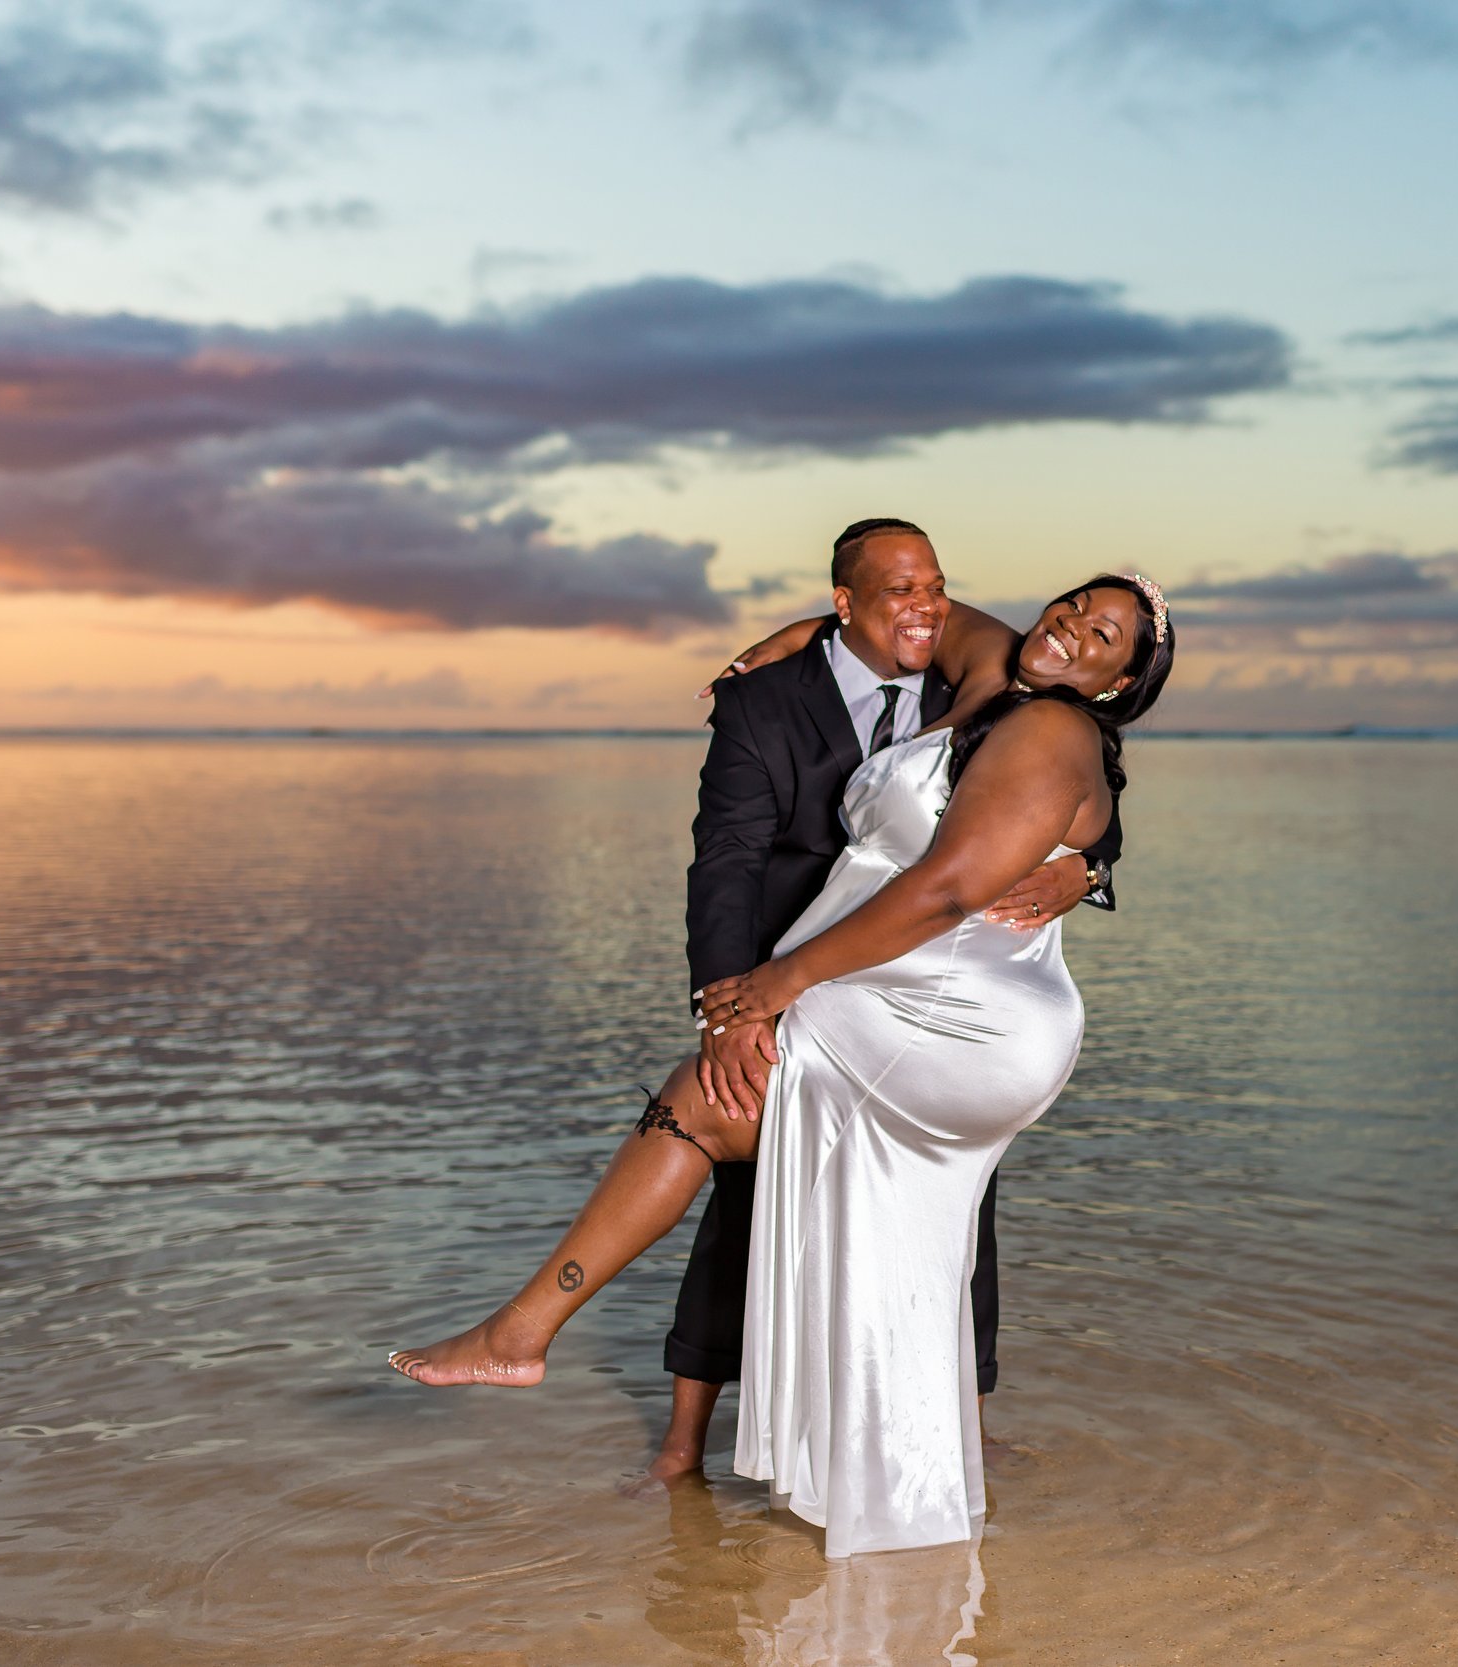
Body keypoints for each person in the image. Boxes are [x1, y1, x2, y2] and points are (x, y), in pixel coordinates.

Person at [390, 570, 1177, 1559]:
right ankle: (547, 1346)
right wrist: (816, 624)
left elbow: (942, 889)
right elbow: (932, 622)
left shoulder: (1053, 728)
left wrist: (778, 982)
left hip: (957, 1009)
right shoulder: (991, 667)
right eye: (1071, 604)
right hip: (893, 983)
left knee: (712, 1094)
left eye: (1102, 635)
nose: (1069, 628)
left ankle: (521, 1333)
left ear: (1116, 682)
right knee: (730, 1107)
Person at [656, 518, 1122, 1484]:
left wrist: (1090, 866)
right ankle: (682, 1448)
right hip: (790, 975)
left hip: (929, 994)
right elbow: (726, 862)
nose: (923, 607)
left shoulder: (991, 682)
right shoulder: (766, 703)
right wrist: (728, 1004)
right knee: (743, 1191)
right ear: (847, 603)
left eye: (934, 589)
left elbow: (1078, 782)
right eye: (897, 592)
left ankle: (959, 1424)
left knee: (957, 1206)